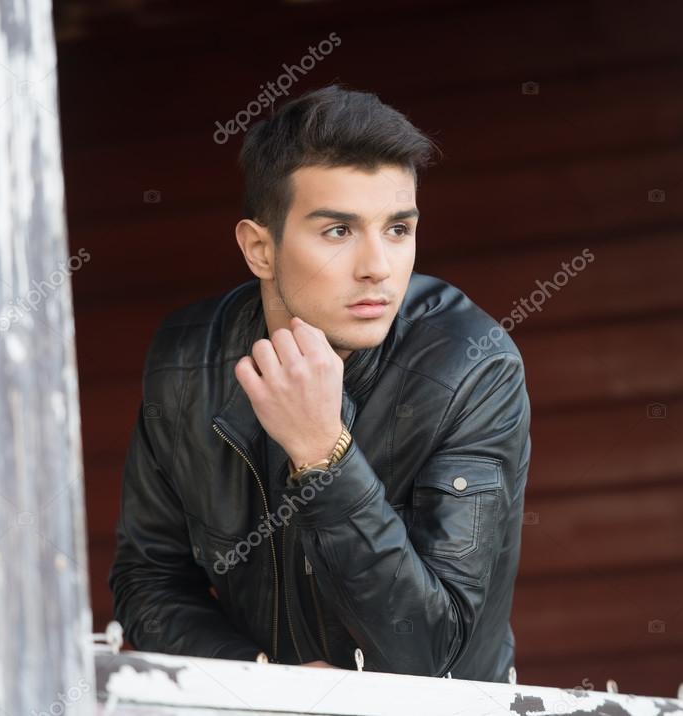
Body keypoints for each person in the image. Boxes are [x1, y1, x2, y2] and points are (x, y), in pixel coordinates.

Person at [108, 84, 532, 682]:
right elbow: (148, 579)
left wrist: (322, 454)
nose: (377, 267)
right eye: (338, 231)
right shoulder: (186, 362)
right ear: (260, 247)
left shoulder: (471, 369)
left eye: (398, 229)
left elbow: (432, 651)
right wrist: (261, 677)